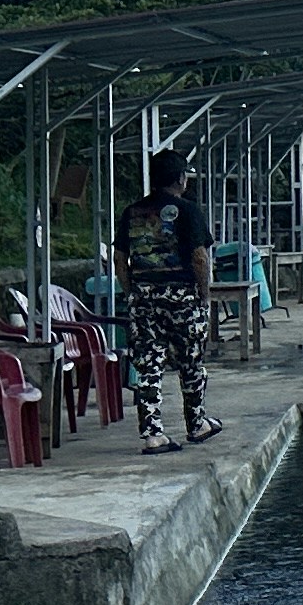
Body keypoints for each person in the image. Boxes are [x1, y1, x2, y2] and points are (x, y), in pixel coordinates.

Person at [114, 150, 223, 454]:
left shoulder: (132, 212)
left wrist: (132, 291)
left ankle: (152, 434)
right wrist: (204, 294)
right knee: (191, 362)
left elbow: (120, 259)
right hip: (182, 297)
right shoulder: (188, 211)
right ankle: (197, 423)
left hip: (144, 298)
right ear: (180, 178)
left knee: (149, 366)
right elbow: (199, 257)